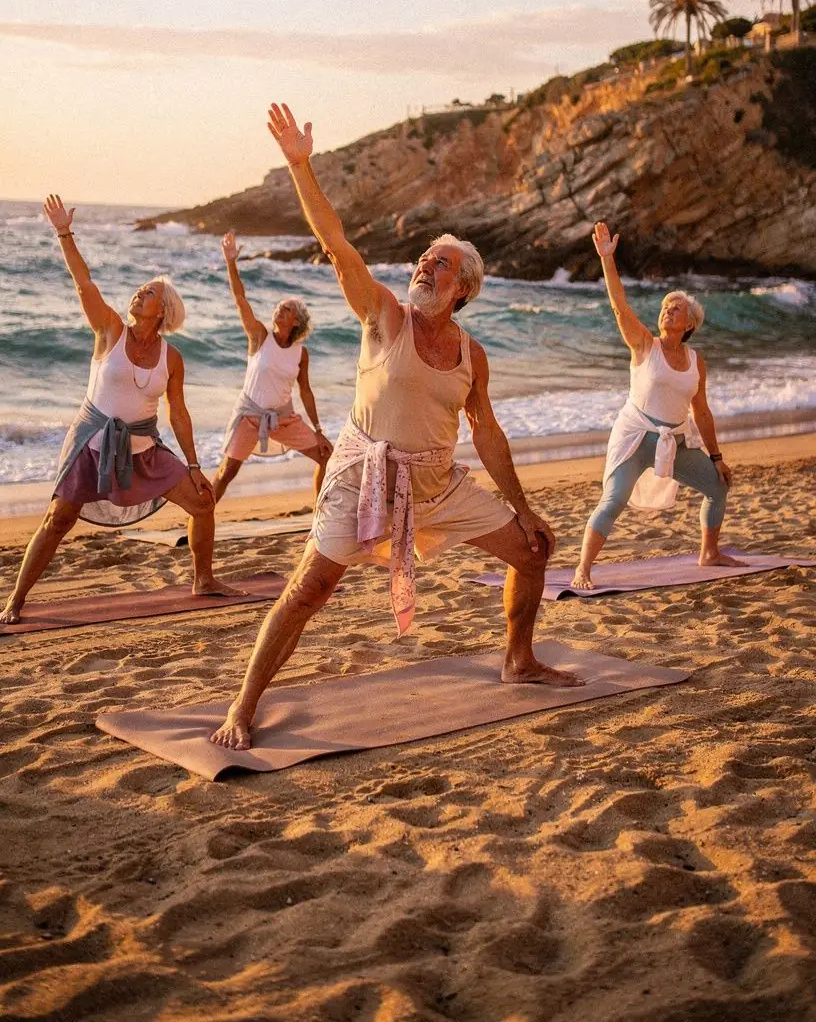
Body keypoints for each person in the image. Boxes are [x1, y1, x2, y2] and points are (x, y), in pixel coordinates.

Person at [211, 103, 583, 752]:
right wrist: (302, 165)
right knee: (309, 590)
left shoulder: (472, 354)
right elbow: (338, 244)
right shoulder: (384, 317)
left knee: (533, 552)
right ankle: (243, 706)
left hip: (437, 484)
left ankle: (518, 659)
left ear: (463, 287)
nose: (423, 268)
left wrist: (523, 508)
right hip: (362, 479)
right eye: (421, 260)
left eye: (438, 264)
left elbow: (487, 433)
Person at [0, 195, 236, 624]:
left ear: (161, 311)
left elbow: (178, 414)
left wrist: (196, 464)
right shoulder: (109, 330)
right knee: (58, 519)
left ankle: (204, 579)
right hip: (91, 441)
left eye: (149, 291)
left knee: (203, 503)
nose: (138, 291)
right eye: (141, 288)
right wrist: (63, 233)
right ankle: (15, 600)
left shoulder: (172, 357)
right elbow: (84, 284)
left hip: (144, 444)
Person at [571, 220, 739, 591]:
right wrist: (606, 261)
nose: (668, 311)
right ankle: (583, 568)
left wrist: (716, 457)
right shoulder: (644, 345)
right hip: (635, 437)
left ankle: (709, 553)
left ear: (689, 323)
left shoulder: (696, 361)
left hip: (674, 442)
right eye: (666, 306)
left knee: (717, 486)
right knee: (614, 500)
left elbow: (702, 412)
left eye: (676, 309)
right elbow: (618, 305)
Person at [213, 232, 333, 507]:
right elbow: (240, 298)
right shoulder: (259, 336)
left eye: (287, 309)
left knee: (328, 456)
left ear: (296, 322)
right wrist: (231, 261)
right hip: (249, 416)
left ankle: (318, 516)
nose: (280, 309)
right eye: (280, 306)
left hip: (285, 418)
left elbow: (306, 391)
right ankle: (199, 519)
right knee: (226, 472)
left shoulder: (300, 353)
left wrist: (317, 429)